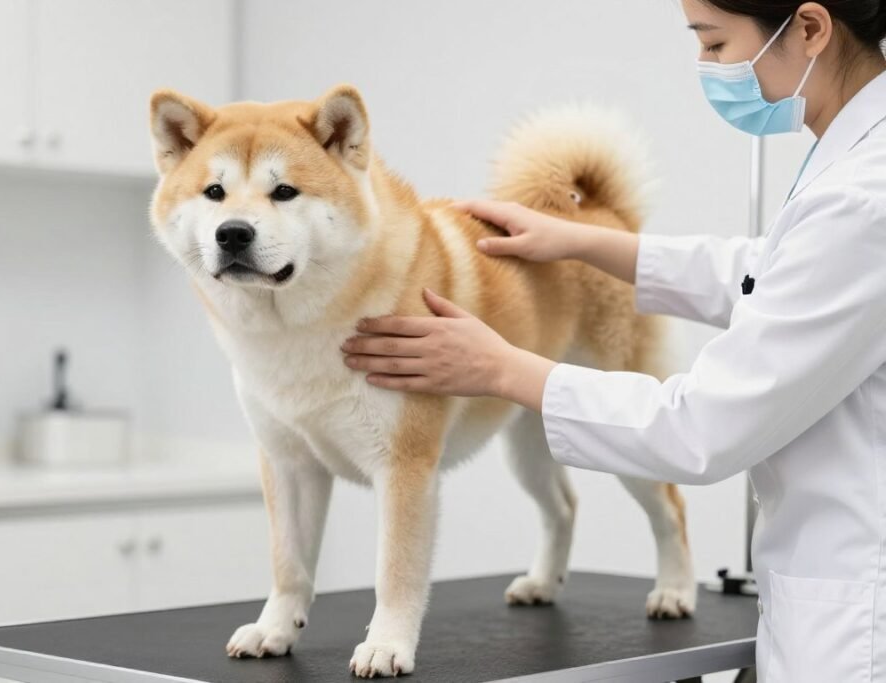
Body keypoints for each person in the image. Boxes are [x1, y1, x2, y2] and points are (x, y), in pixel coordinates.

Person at [340, 1, 886, 680]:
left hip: (854, 628)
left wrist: (504, 368)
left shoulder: (864, 197)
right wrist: (586, 241)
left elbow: (702, 427)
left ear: (809, 29)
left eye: (714, 44)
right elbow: (766, 274)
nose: (706, 67)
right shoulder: (854, 168)